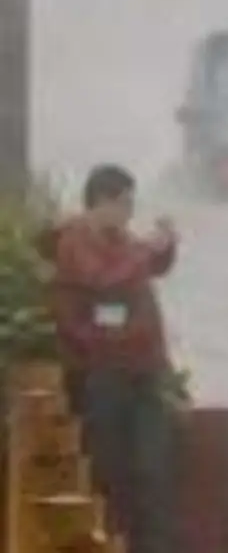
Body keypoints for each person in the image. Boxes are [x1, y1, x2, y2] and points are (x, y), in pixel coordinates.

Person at [38, 164, 179, 553]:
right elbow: (107, 279)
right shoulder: (76, 242)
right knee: (111, 471)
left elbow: (148, 265)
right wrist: (149, 249)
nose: (129, 214)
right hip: (103, 372)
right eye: (125, 204)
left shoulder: (120, 239)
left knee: (154, 471)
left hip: (142, 368)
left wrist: (165, 246)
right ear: (102, 202)